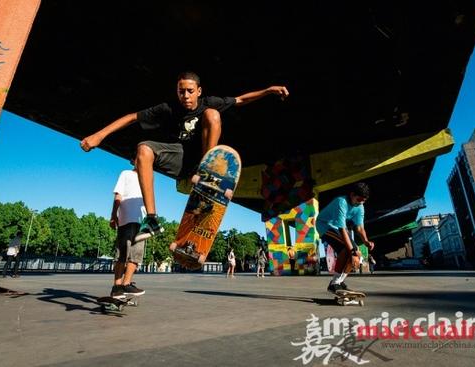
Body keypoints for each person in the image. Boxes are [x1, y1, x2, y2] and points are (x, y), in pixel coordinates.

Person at [81, 71, 289, 242]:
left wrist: (268, 91)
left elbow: (241, 99)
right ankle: (152, 220)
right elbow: (131, 117)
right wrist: (98, 136)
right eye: (181, 92)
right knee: (143, 149)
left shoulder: (209, 102)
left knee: (212, 114)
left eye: (190, 91)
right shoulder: (167, 108)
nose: (186, 96)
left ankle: (206, 169)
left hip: (199, 157)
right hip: (179, 158)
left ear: (199, 91)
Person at [315, 182, 375, 293]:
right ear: (352, 195)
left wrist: (366, 241)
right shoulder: (341, 202)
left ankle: (339, 281)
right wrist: (351, 252)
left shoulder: (360, 207)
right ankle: (334, 284)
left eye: (364, 200)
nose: (361, 202)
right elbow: (343, 230)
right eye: (359, 199)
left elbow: (360, 228)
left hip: (337, 227)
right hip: (325, 225)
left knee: (358, 253)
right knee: (346, 250)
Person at [109, 165, 147, 298]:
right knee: (122, 254)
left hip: (142, 221)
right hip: (127, 218)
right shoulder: (126, 173)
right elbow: (118, 195)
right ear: (134, 160)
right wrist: (114, 215)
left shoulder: (147, 177)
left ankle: (126, 284)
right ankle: (117, 286)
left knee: (136, 255)